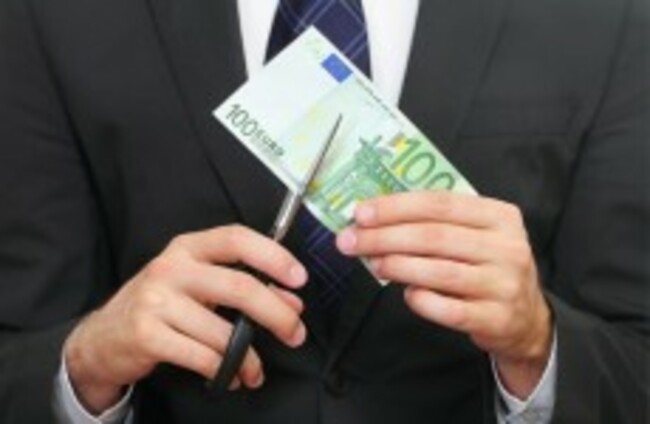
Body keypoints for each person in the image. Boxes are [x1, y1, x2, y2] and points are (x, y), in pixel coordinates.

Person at [0, 0, 648, 423]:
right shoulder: (50, 18)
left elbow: (635, 358)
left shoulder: (609, 19)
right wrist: (83, 367)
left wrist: (539, 346)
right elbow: (21, 344)